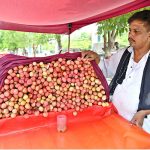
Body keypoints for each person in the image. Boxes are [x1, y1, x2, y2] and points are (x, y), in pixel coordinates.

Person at [82, 10, 150, 133]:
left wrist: (146, 111)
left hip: (142, 129)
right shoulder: (123, 54)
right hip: (114, 121)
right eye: (130, 30)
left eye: (136, 31)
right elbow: (106, 69)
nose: (130, 35)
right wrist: (97, 59)